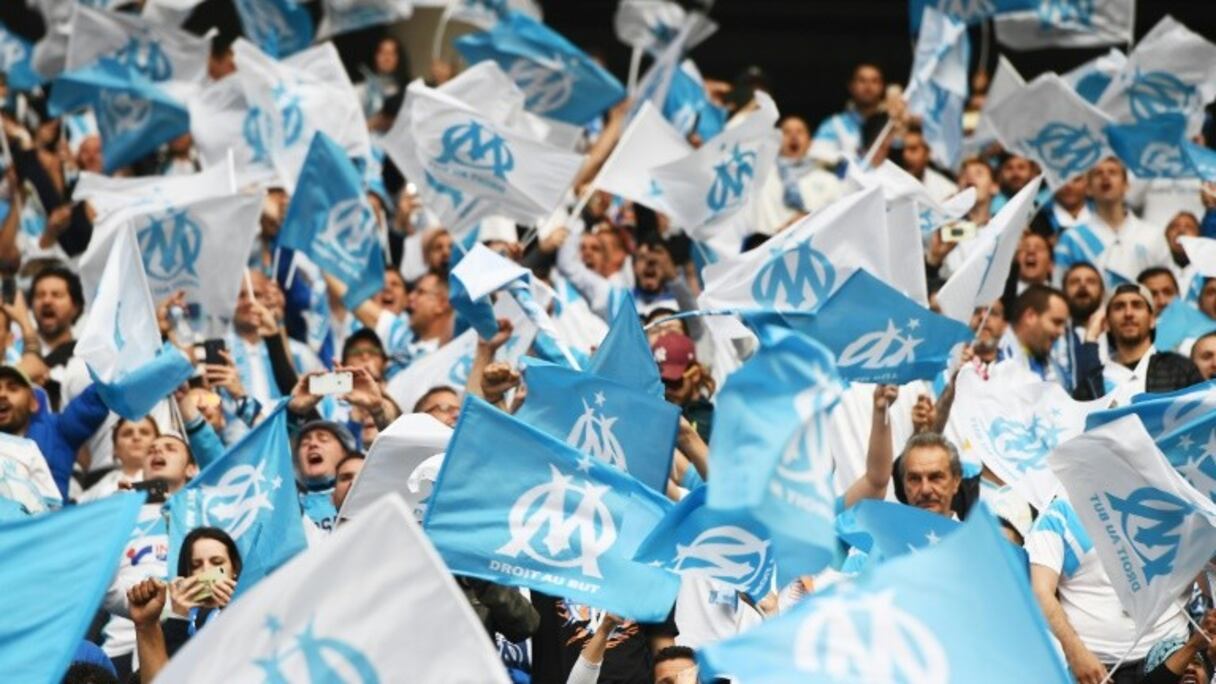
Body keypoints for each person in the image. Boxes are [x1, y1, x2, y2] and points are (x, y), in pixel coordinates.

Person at [1028, 496, 1187, 684]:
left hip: (1171, 661)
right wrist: (1076, 654)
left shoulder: (1181, 503)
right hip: (1093, 670)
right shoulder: (1062, 513)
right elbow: (1040, 592)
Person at [102, 434, 198, 679]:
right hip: (122, 644)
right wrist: (114, 517)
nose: (157, 452)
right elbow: (100, 585)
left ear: (192, 469)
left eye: (169, 448)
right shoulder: (124, 513)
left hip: (196, 637)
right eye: (151, 450)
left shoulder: (208, 512)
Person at [1074, 284, 1204, 402]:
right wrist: (1090, 336)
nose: (1128, 313)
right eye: (1119, 307)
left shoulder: (1181, 369)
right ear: (1106, 323)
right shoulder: (1090, 383)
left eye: (1137, 305)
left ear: (1152, 320)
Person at [1054, 157, 1171, 287]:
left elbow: (1167, 286)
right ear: (1088, 188)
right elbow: (1059, 288)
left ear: (1126, 185)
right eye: (1098, 173)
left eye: (1113, 172)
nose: (1105, 177)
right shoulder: (1072, 238)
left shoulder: (1153, 235)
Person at [0, 363, 107, 500]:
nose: (2, 394)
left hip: (54, 519)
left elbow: (93, 400)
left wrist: (110, 375)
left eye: (13, 388)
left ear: (34, 402)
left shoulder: (58, 430)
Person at [809, 62, 886, 166]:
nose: (868, 87)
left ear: (882, 87)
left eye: (874, 81)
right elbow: (817, 161)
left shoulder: (891, 126)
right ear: (851, 86)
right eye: (862, 80)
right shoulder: (833, 126)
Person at [998, 284, 1071, 386]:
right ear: (1030, 316)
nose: (1061, 331)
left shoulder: (1056, 371)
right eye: (1056, 322)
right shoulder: (993, 355)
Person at [80, 416, 158, 502]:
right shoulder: (105, 483)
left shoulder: (168, 476)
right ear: (115, 449)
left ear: (158, 441)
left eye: (144, 432)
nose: (136, 437)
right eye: (127, 433)